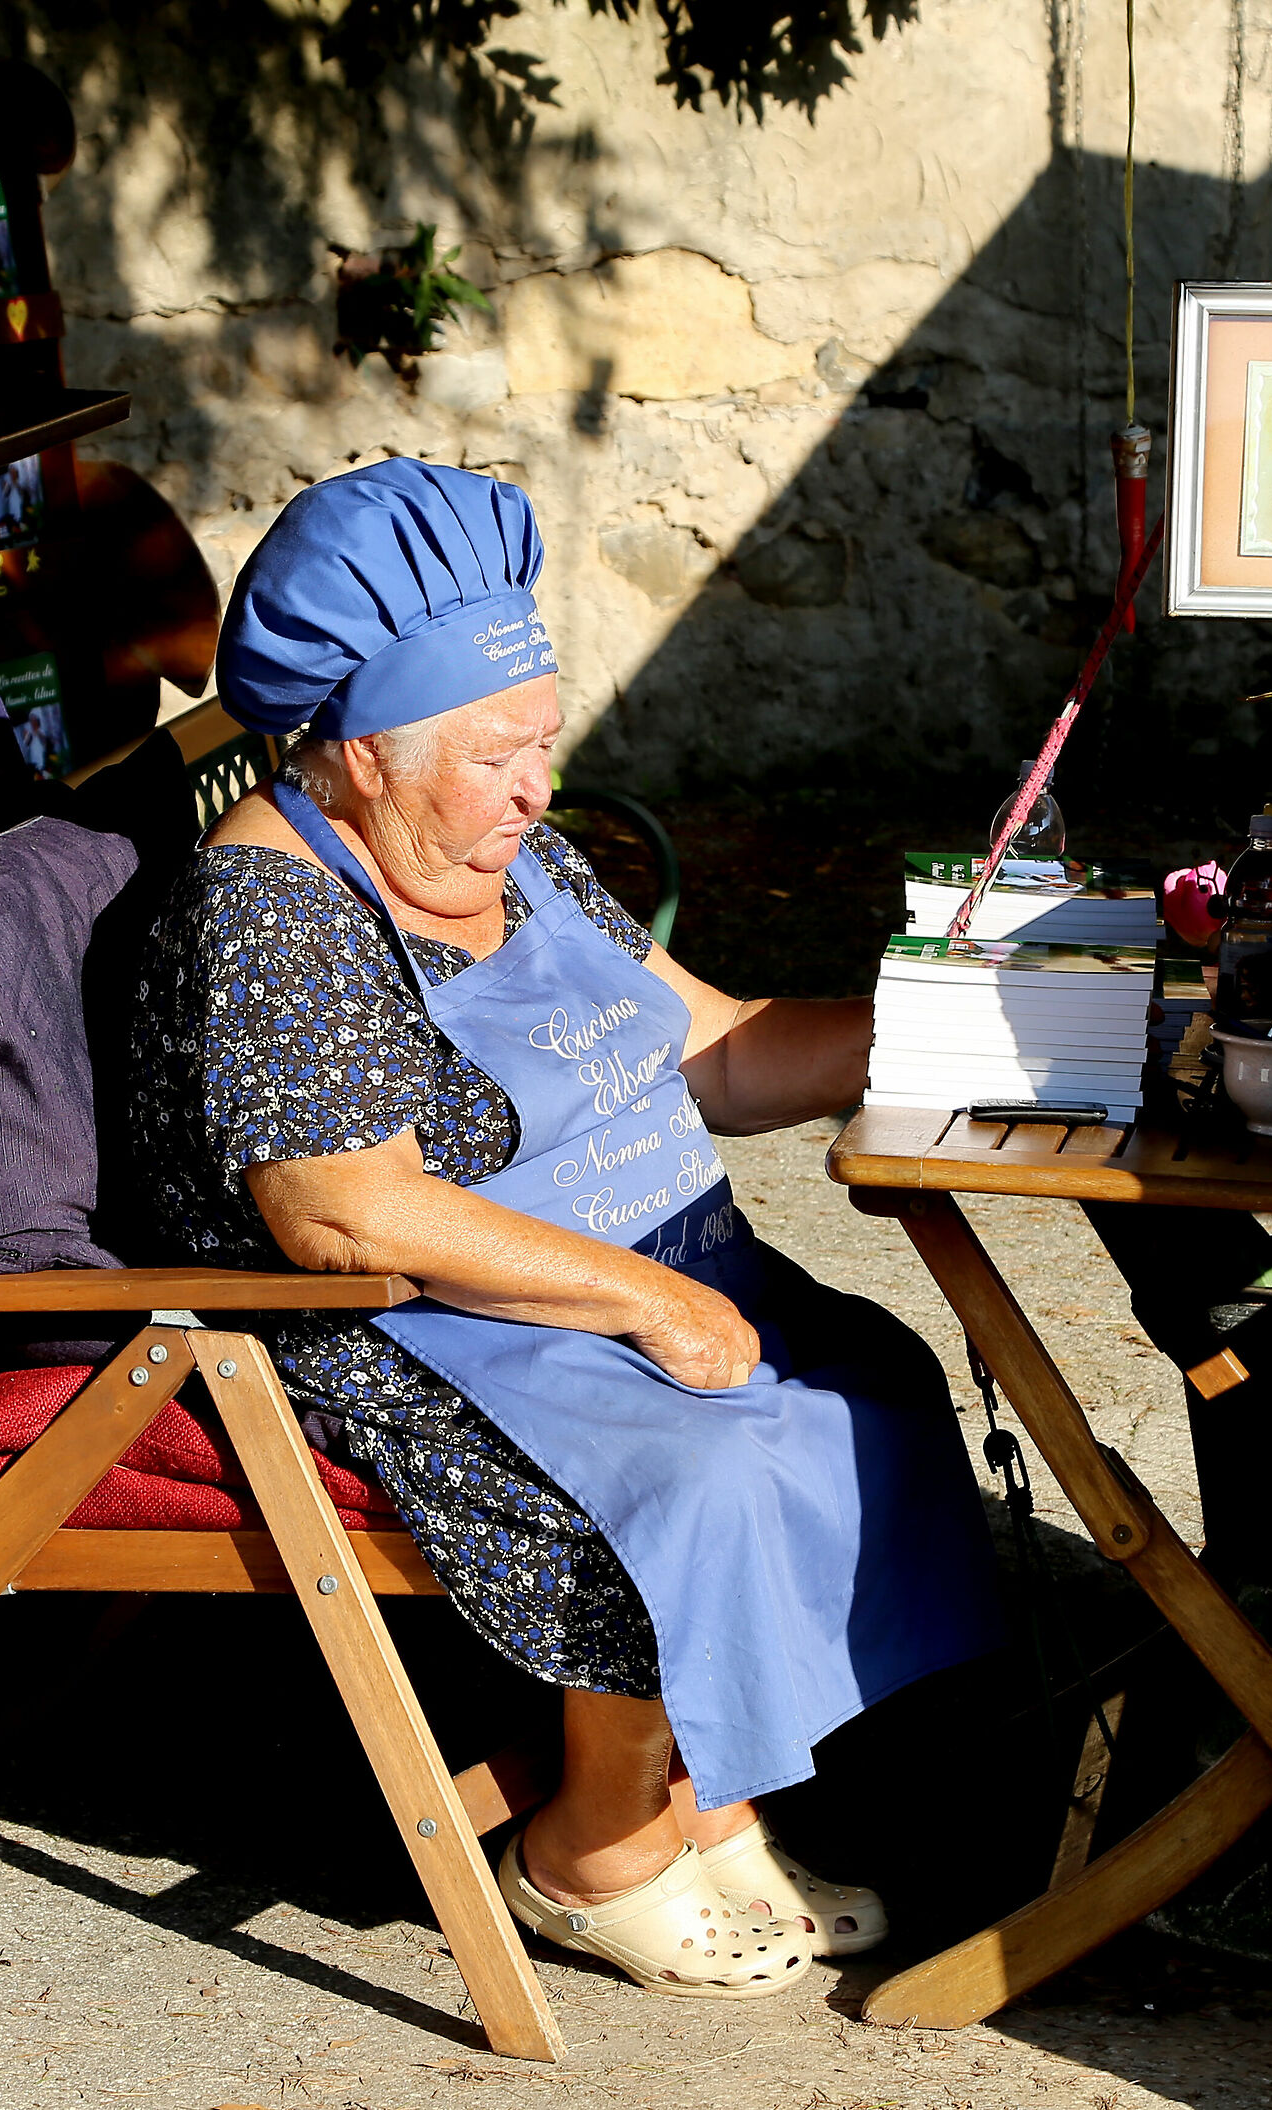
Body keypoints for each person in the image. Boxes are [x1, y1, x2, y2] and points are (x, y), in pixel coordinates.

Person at [129, 459, 1000, 2000]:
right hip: (410, 1324)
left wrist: (947, 1025)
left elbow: (716, 1049)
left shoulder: (507, 851)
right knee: (715, 1461)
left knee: (867, 1375)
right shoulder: (272, 908)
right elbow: (341, 1210)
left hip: (594, 1278)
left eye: (543, 740)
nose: (539, 787)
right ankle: (591, 1842)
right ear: (360, 759)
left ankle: (706, 1790)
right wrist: (642, 1303)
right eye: (495, 754)